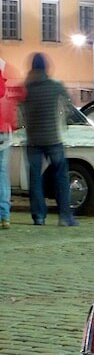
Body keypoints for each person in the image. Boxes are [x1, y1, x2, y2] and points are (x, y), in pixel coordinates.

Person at [21, 53, 77, 226]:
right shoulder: (55, 86)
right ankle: (65, 217)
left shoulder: (27, 88)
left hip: (33, 139)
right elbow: (69, 107)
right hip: (53, 137)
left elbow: (22, 112)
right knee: (61, 176)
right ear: (46, 67)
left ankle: (38, 216)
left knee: (35, 179)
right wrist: (65, 121)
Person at [0, 57, 16, 229]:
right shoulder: (7, 89)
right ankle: (4, 216)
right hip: (5, 133)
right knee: (3, 175)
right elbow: (12, 116)